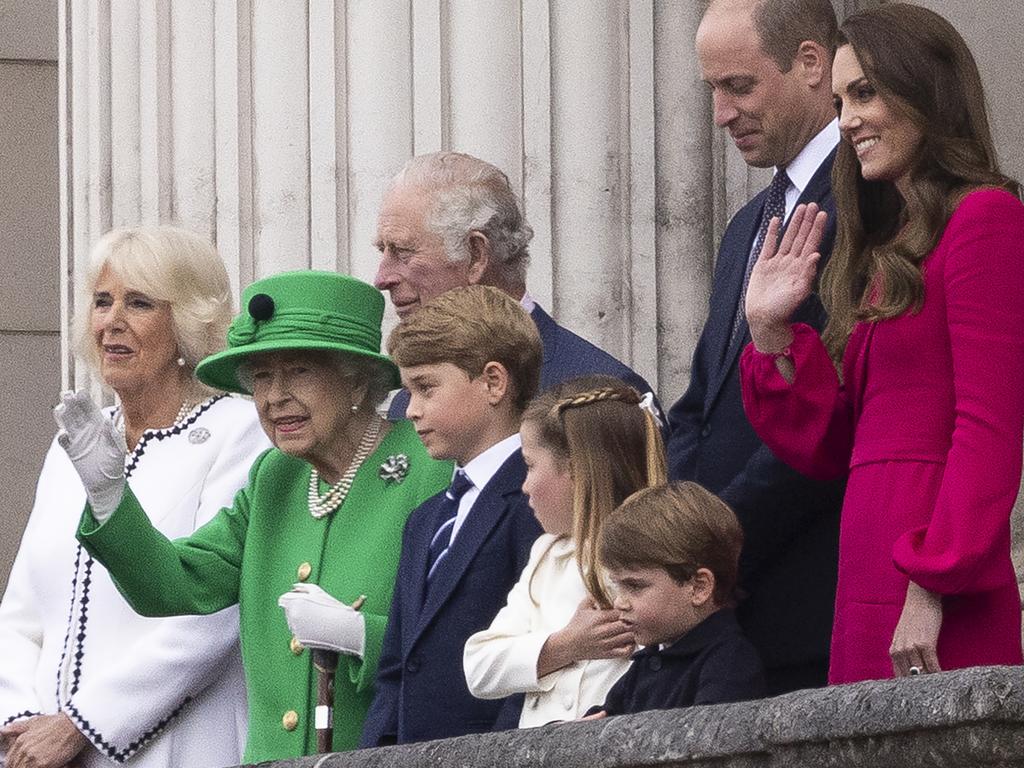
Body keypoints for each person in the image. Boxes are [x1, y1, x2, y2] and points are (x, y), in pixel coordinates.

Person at [741, 3, 1024, 683]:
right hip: (873, 559)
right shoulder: (894, 248)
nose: (847, 121)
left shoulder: (986, 218)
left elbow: (989, 427)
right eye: (840, 100)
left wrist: (934, 583)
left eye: (864, 93)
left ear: (926, 89)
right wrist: (770, 331)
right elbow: (835, 445)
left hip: (931, 574)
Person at [59, 271, 451, 761]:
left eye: (300, 372)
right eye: (262, 377)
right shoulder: (276, 476)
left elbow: (460, 635)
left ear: (355, 377)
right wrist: (110, 497)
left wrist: (363, 636)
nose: (274, 397)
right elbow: (174, 583)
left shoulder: (429, 466)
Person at [0, 226, 268, 768]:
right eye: (102, 301)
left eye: (139, 303)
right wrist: (19, 719)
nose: (111, 322)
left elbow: (214, 614)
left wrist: (83, 725)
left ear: (189, 322)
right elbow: (21, 612)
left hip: (181, 745)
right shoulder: (75, 439)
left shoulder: (240, 431)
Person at [664, 0, 844, 694]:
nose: (721, 114)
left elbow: (830, 410)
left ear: (809, 64)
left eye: (739, 86)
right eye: (712, 90)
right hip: (726, 611)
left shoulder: (864, 201)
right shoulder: (748, 224)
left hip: (807, 594)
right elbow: (701, 405)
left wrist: (718, 546)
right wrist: (674, 534)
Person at [360, 285, 544, 747]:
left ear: (493, 383)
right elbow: (397, 672)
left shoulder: (537, 497)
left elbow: (536, 654)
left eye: (426, 388)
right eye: (407, 391)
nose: (412, 410)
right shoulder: (425, 520)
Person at [373, 150, 660, 420]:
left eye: (402, 252)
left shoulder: (602, 399)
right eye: (382, 251)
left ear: (476, 255)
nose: (382, 279)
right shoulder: (406, 405)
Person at [463, 376, 666, 726]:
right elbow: (479, 666)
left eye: (530, 465)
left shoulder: (660, 551)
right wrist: (566, 645)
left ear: (575, 469)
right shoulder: (546, 555)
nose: (523, 486)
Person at [585, 482, 764, 718]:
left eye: (635, 586)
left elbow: (710, 744)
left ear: (699, 587)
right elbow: (604, 718)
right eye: (618, 586)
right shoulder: (645, 664)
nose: (620, 602)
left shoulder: (729, 663)